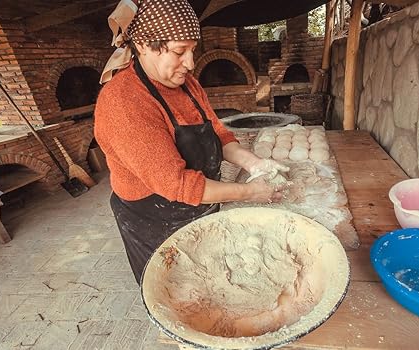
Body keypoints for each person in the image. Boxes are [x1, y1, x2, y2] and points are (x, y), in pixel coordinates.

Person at [94, 0, 288, 284]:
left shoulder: (187, 83)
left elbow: (219, 133)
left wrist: (255, 163)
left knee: (214, 278)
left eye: (192, 50)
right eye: (179, 51)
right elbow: (177, 185)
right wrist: (249, 193)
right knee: (180, 290)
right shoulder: (124, 102)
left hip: (199, 202)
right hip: (155, 220)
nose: (190, 63)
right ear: (145, 45)